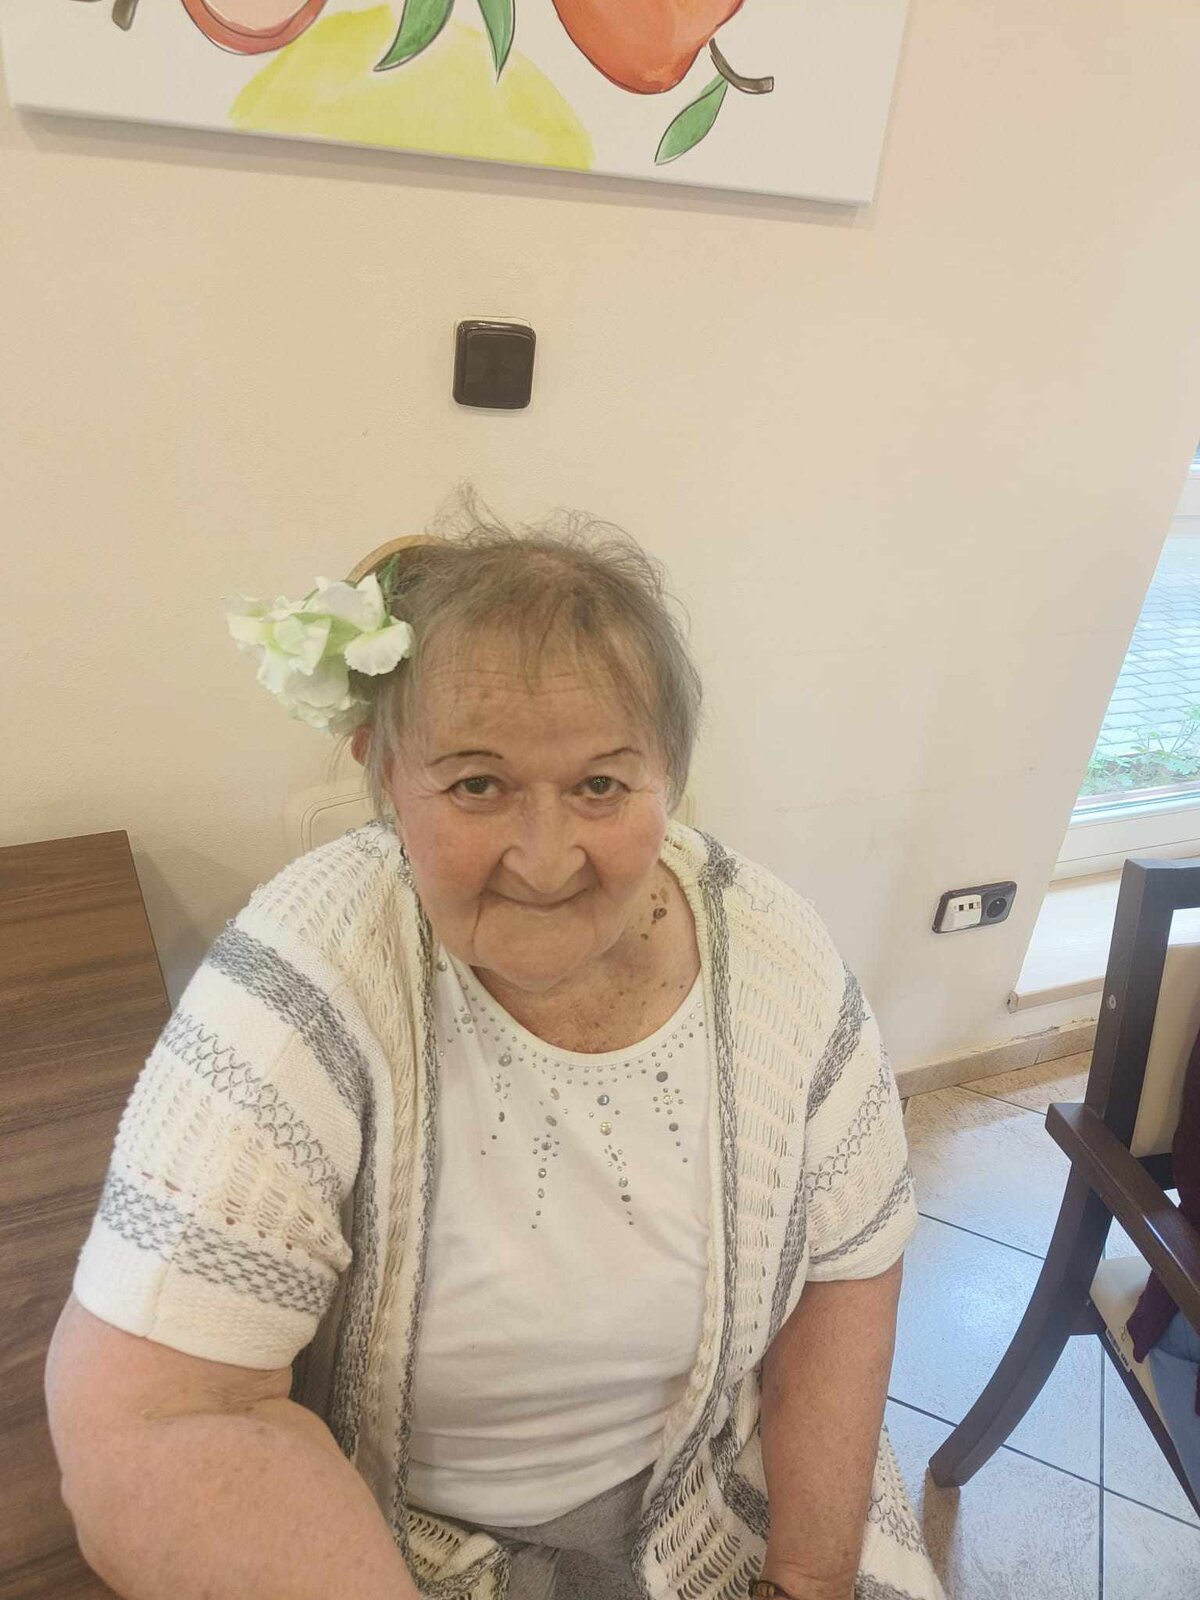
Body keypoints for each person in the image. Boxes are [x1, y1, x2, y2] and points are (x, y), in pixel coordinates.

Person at [45, 508, 943, 1600]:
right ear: (385, 772)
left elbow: (850, 1264)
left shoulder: (774, 955)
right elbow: (156, 1415)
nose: (545, 858)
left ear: (666, 773)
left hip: (714, 1489)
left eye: (601, 785)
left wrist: (804, 1580)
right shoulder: (312, 971)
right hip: (401, 1542)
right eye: (478, 783)